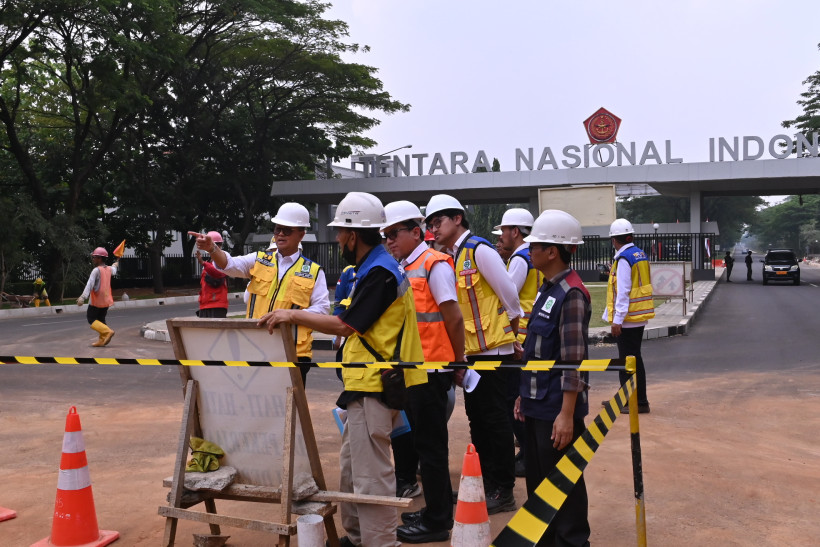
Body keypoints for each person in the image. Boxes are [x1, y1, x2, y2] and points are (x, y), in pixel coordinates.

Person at [257, 192, 428, 547]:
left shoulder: (380, 271)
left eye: (340, 233)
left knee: (372, 477)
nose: (337, 240)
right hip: (362, 386)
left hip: (374, 387)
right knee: (353, 472)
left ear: (353, 235)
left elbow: (345, 325)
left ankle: (380, 542)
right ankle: (357, 537)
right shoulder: (370, 268)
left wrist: (292, 313)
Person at [425, 193, 523, 515]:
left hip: (493, 352)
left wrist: (509, 334)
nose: (434, 228)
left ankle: (503, 489)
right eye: (430, 223)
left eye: (438, 221)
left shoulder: (479, 249)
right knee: (477, 421)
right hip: (471, 355)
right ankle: (482, 485)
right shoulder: (449, 256)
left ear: (457, 219)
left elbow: (510, 294)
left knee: (495, 421)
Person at [382, 200, 465, 544]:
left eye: (394, 233)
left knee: (431, 447)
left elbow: (454, 317)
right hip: (415, 370)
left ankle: (437, 520)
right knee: (423, 444)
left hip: (432, 370)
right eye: (384, 235)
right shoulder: (405, 267)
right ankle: (437, 507)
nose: (388, 241)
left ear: (416, 232)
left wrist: (458, 361)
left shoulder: (434, 264)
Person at [513, 209, 591, 547]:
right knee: (539, 485)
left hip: (556, 409)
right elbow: (537, 352)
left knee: (564, 486)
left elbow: (573, 360)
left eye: (535, 247)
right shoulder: (548, 289)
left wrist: (566, 414)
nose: (529, 252)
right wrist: (522, 396)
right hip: (536, 404)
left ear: (553, 251)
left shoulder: (571, 294)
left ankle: (572, 542)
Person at [189, 202, 329, 387]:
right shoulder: (259, 260)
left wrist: (292, 315)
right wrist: (212, 249)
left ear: (301, 234)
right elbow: (229, 264)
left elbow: (322, 310)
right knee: (255, 409)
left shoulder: (313, 271)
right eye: (277, 229)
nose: (280, 234)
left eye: (287, 230)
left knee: (289, 410)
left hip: (294, 354)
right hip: (255, 350)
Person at [495, 207, 541, 477]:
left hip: (519, 334)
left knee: (514, 398)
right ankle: (527, 450)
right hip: (529, 331)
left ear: (515, 231)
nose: (501, 236)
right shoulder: (531, 254)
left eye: (503, 230)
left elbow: (508, 294)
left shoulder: (520, 258)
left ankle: (527, 451)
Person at [603, 218, 654, 414]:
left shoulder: (624, 258)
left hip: (628, 318)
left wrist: (617, 320)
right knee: (633, 358)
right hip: (638, 315)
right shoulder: (639, 254)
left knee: (628, 361)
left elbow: (623, 292)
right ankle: (627, 398)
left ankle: (637, 401)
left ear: (614, 240)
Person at [76, 247, 119, 347]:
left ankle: (107, 332)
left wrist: (83, 297)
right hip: (106, 300)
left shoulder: (96, 270)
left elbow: (89, 284)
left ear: (99, 258)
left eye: (94, 257)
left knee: (91, 318)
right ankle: (102, 340)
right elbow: (114, 270)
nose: (93, 259)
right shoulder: (109, 269)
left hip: (96, 301)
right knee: (101, 319)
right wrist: (115, 265)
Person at [195, 231, 229, 318]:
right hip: (206, 305)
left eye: (217, 244)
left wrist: (203, 262)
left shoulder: (223, 260)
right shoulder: (209, 262)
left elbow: (217, 273)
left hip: (216, 305)